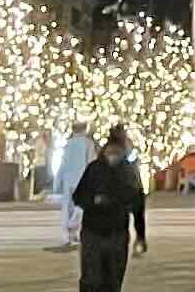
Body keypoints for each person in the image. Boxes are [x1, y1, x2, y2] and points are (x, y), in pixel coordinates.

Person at [72, 124, 153, 292]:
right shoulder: (95, 169)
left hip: (114, 233)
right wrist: (94, 200)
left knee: (111, 281)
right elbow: (78, 196)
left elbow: (138, 205)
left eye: (116, 152)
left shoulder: (128, 172)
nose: (113, 156)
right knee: (93, 280)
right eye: (111, 152)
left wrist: (140, 235)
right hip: (95, 232)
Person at [54, 122, 94, 248]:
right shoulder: (88, 143)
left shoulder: (68, 144)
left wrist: (57, 181)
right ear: (84, 130)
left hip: (68, 179)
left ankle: (67, 235)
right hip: (82, 179)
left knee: (67, 207)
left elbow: (63, 163)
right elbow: (91, 161)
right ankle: (74, 227)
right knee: (81, 206)